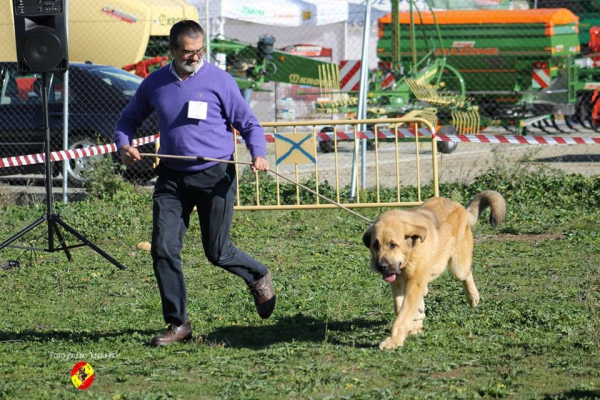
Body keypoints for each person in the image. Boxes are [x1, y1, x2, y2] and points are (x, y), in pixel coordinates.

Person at [114, 20, 276, 346]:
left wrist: (258, 152)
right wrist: (124, 143)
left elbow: (248, 123)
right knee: (162, 249)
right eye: (188, 51)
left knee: (217, 252)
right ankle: (178, 324)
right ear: (172, 50)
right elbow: (127, 119)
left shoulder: (219, 80)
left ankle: (258, 276)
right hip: (171, 178)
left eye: (200, 50)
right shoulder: (155, 83)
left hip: (215, 176)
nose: (195, 56)